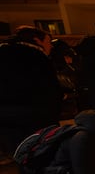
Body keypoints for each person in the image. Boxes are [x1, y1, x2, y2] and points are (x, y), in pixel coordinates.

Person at [0, 26, 62, 157]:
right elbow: (49, 88)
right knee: (42, 154)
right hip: (36, 118)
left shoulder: (3, 54)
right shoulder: (36, 57)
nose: (50, 47)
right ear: (36, 40)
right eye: (48, 42)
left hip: (6, 117)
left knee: (20, 154)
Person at [50, 39, 80, 120]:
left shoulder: (71, 68)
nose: (70, 60)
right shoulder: (60, 71)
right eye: (67, 57)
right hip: (66, 111)